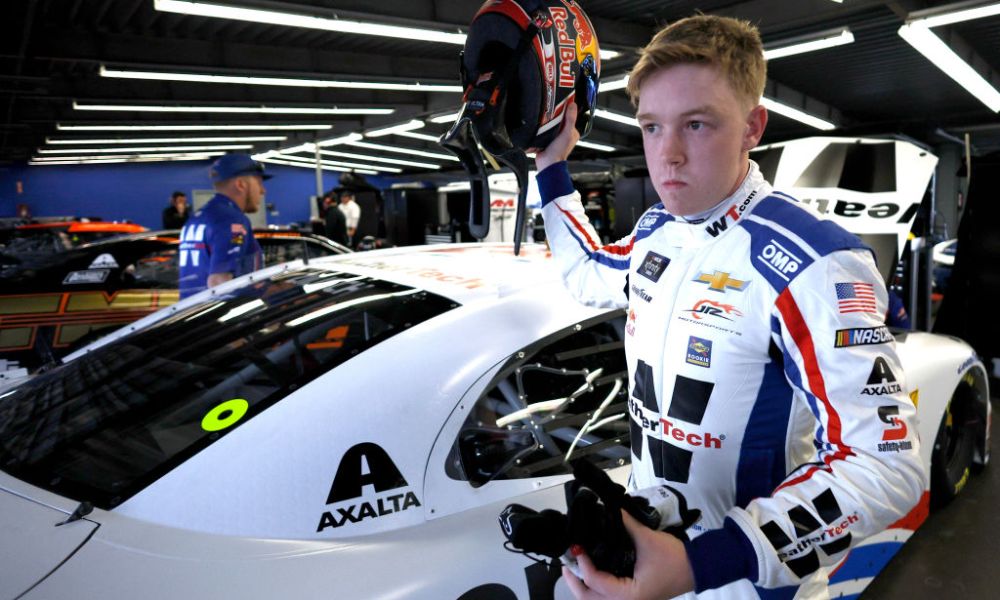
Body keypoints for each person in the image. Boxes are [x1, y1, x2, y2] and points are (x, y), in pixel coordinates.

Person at [534, 15, 925, 600]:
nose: (666, 157)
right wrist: (550, 166)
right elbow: (591, 272)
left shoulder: (816, 262)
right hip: (645, 557)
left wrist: (700, 565)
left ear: (752, 127)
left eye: (696, 124)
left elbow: (887, 465)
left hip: (747, 582)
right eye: (651, 126)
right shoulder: (657, 230)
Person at [178, 154, 267, 299]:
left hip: (190, 313)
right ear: (241, 184)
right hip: (218, 317)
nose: (263, 191)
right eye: (259, 183)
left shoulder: (197, 217)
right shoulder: (232, 220)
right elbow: (219, 282)